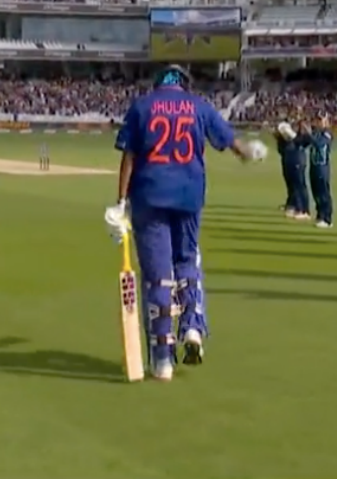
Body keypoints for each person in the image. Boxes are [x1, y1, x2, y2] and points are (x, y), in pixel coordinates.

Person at [105, 65, 255, 381]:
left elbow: (129, 156)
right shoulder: (198, 105)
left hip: (150, 195)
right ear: (184, 84)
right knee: (187, 261)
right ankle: (192, 326)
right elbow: (231, 142)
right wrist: (248, 151)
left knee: (159, 277)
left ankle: (162, 359)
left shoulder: (142, 106)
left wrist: (120, 203)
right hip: (189, 195)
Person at [298, 115, 333, 228]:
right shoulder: (316, 133)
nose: (318, 123)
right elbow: (303, 143)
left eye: (321, 121)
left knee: (323, 193)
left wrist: (309, 134)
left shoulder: (327, 134)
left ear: (326, 122)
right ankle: (320, 215)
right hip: (314, 166)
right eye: (317, 120)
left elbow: (319, 144)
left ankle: (327, 218)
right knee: (316, 192)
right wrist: (302, 133)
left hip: (322, 167)